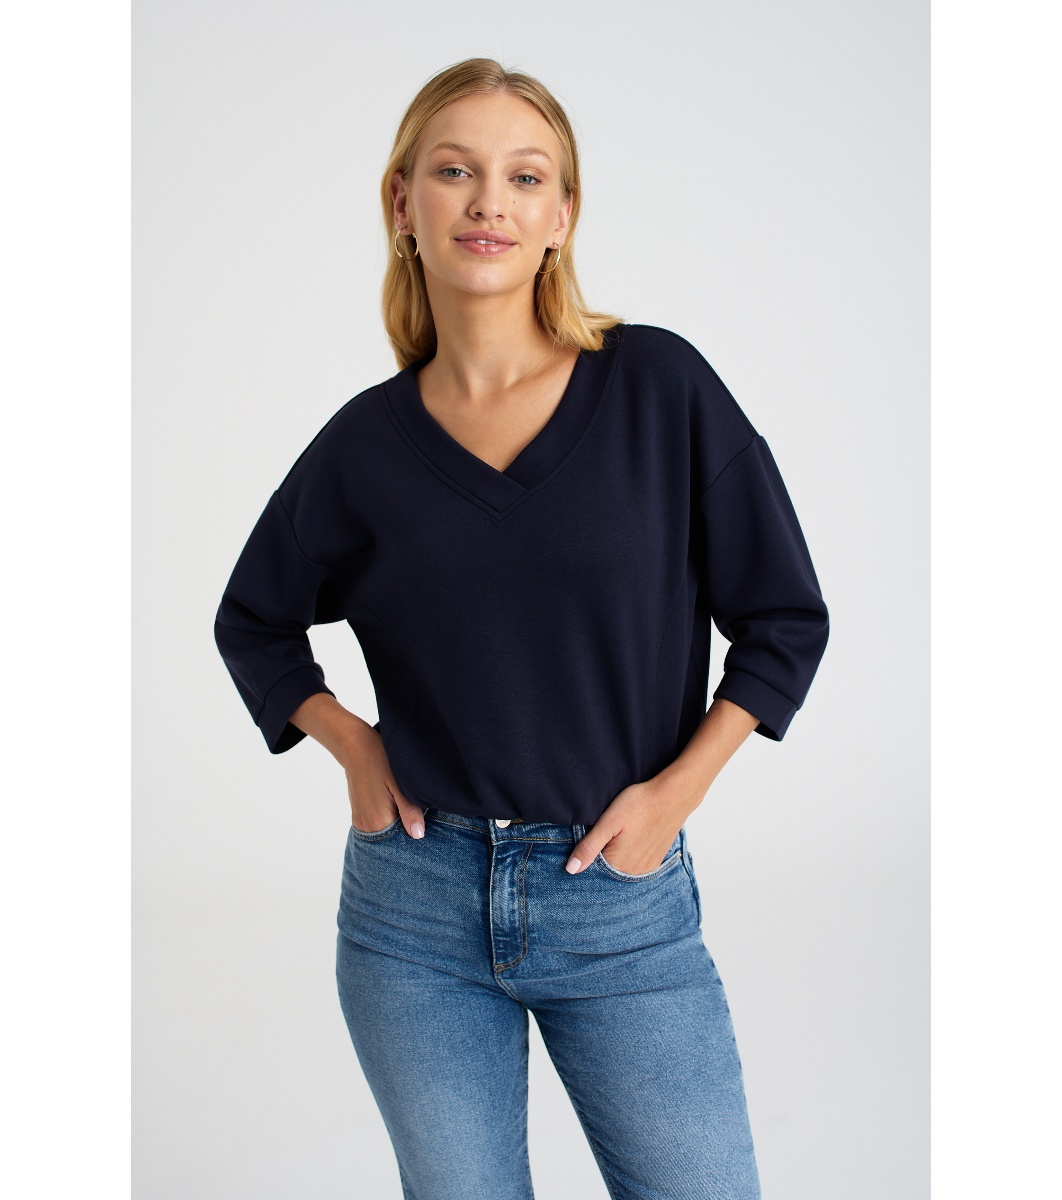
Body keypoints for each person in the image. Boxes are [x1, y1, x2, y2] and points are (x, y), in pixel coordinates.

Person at [214, 56, 829, 1200]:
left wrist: (677, 793)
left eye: (525, 176)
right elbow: (253, 620)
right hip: (413, 914)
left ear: (562, 216)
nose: (489, 201)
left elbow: (784, 617)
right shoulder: (364, 447)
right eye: (454, 171)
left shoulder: (660, 389)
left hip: (620, 902)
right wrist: (352, 746)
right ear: (403, 203)